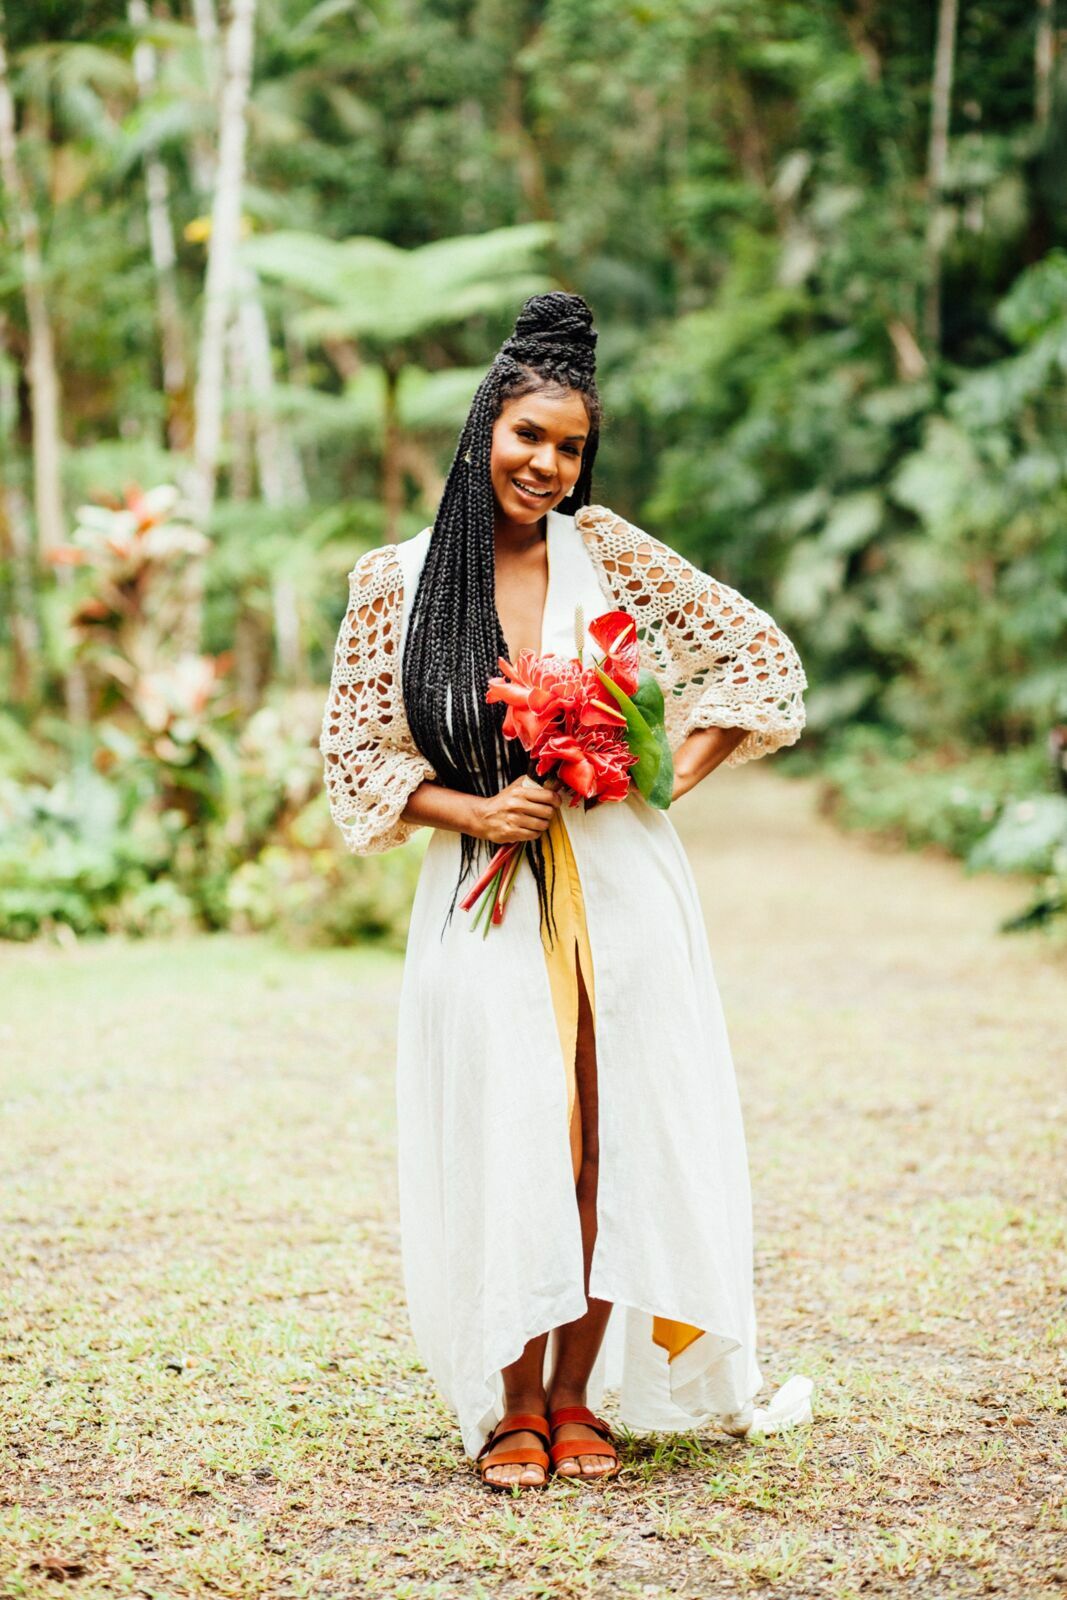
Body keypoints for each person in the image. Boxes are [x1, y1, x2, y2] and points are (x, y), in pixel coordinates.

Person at [320, 292, 813, 1492]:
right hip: (483, 888)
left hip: (621, 890)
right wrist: (476, 808)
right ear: (485, 423)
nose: (546, 464)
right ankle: (509, 1402)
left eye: (570, 446)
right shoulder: (397, 581)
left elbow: (760, 661)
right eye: (528, 435)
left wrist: (656, 776)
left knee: (605, 1136)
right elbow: (354, 759)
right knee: (510, 1132)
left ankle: (579, 1397)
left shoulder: (615, 557)